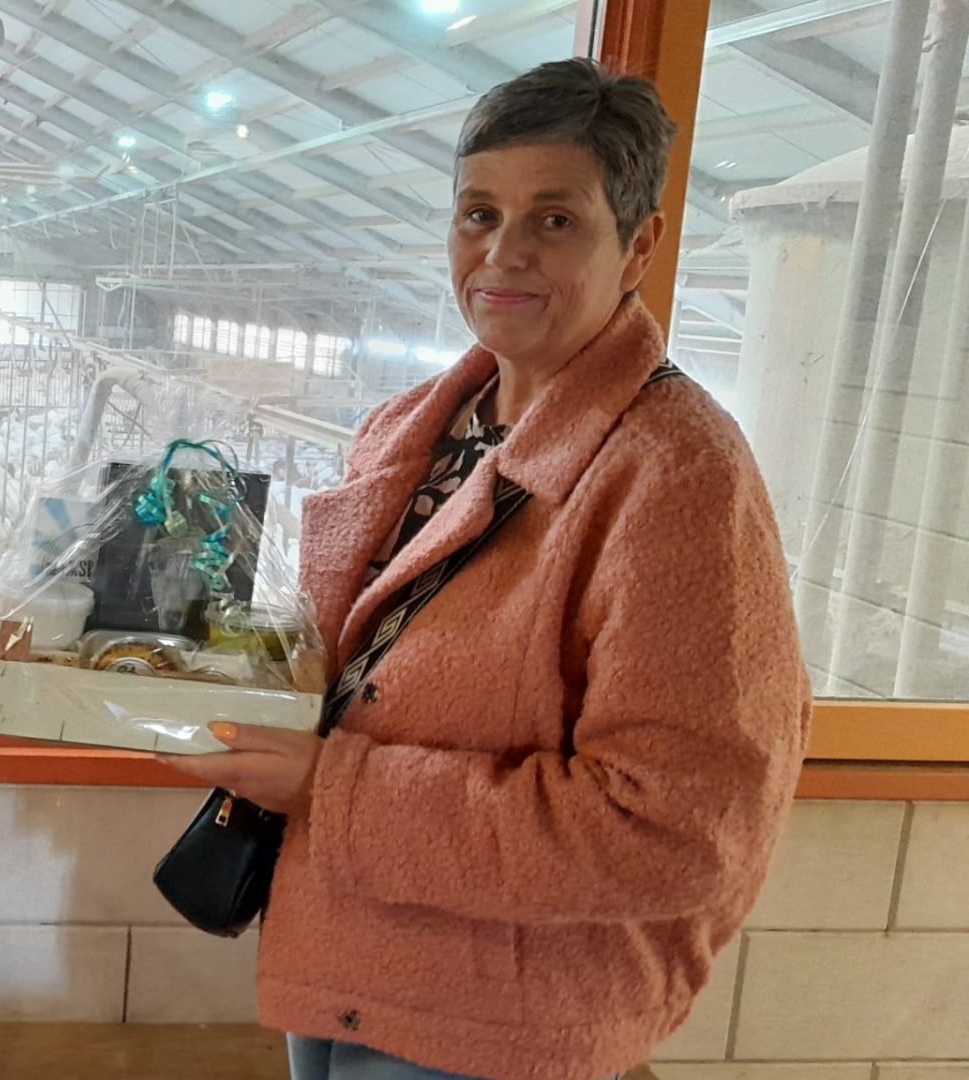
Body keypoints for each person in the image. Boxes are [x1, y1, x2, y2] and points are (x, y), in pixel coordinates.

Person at [166, 59, 811, 1080]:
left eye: (555, 219)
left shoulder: (676, 475)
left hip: (500, 1026)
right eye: (479, 214)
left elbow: (678, 830)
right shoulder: (412, 431)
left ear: (639, 245)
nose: (502, 252)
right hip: (345, 969)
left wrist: (332, 789)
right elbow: (370, 669)